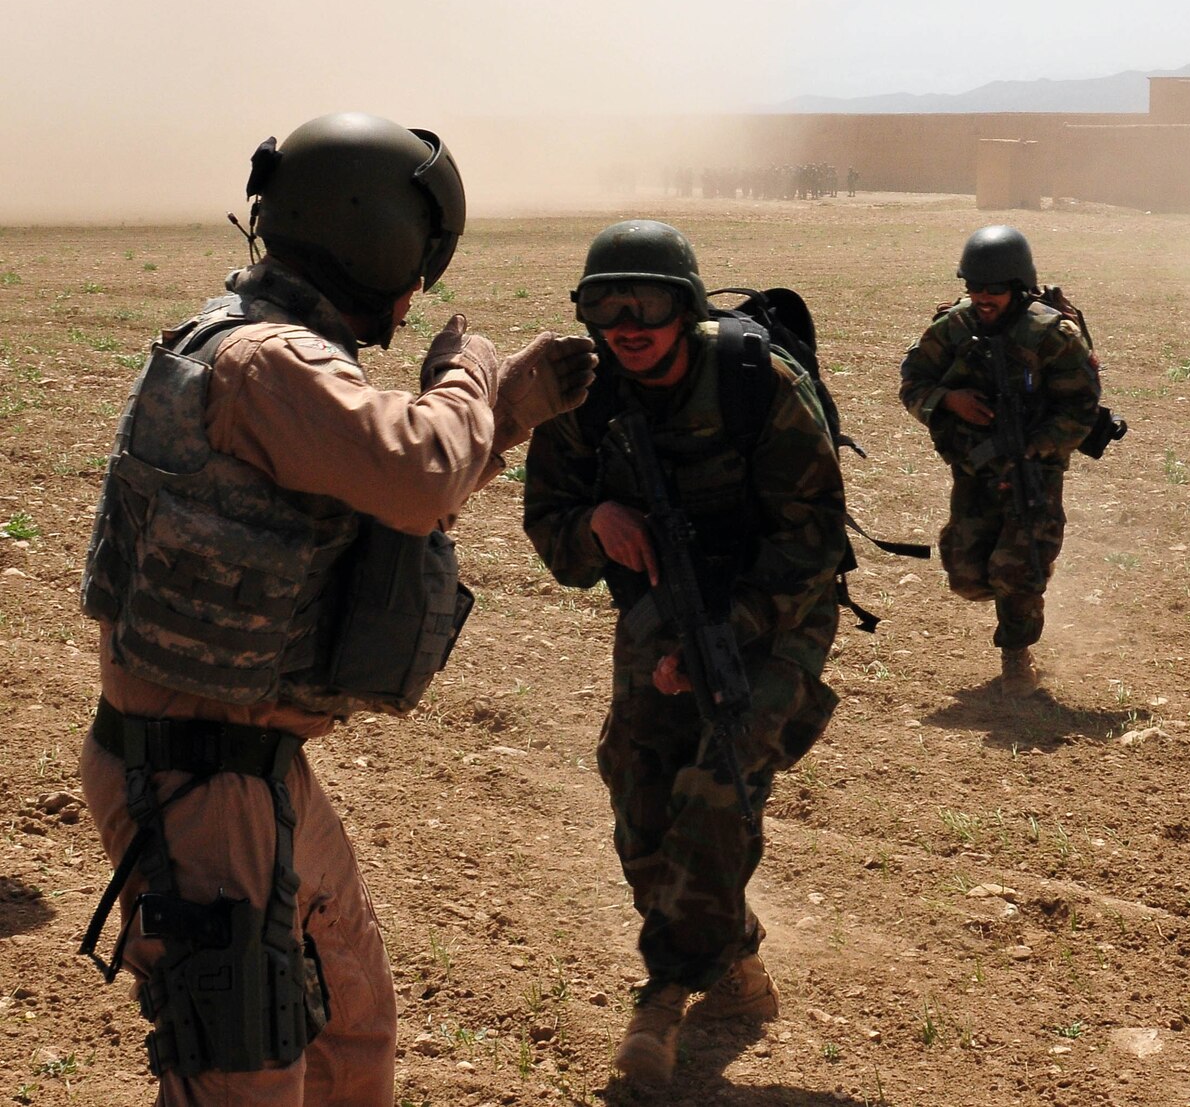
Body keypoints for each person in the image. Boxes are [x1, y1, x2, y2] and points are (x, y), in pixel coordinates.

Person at [76, 112, 595, 1103]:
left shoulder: (263, 356)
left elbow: (380, 495)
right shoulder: (265, 362)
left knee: (348, 1034)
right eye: (416, 264)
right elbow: (419, 469)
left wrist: (512, 414)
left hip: (251, 779)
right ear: (375, 244)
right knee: (250, 1079)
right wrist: (471, 373)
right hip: (198, 794)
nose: (414, 292)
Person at [521, 219, 848, 1087]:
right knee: (639, 784)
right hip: (663, 609)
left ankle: (662, 994)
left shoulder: (756, 385)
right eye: (605, 305)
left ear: (687, 307)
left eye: (649, 303)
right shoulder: (584, 401)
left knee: (715, 790)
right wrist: (592, 522)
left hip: (780, 610)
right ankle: (735, 965)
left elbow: (814, 546)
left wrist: (726, 638)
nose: (628, 324)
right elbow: (550, 532)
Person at [898, 225, 1101, 699]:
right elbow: (912, 382)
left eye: (994, 290)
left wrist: (1035, 447)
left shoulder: (1053, 335)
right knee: (967, 574)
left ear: (1018, 288)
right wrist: (948, 401)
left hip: (1035, 469)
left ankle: (1015, 651)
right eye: (974, 288)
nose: (982, 298)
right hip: (972, 467)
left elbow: (1082, 410)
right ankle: (1013, 597)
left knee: (1019, 566)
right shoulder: (953, 328)